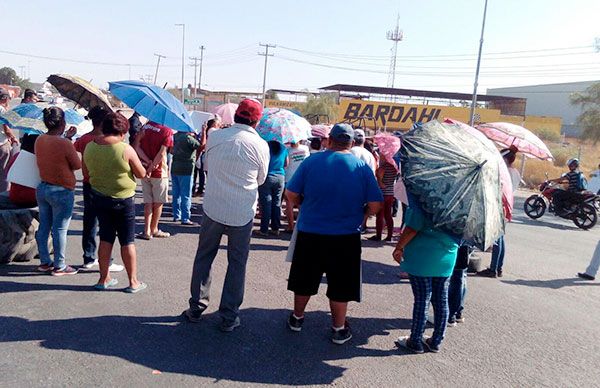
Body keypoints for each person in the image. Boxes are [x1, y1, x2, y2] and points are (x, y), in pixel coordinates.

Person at [285, 123, 383, 345]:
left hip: (311, 231)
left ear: (329, 139)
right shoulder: (361, 166)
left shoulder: (312, 161)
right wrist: (362, 216)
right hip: (345, 235)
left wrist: (304, 205)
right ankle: (338, 328)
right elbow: (376, 204)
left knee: (303, 279)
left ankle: (297, 318)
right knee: (341, 284)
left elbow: (291, 192)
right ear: (350, 142)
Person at [183, 99, 269, 332]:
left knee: (204, 257)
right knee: (237, 264)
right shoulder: (261, 145)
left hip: (214, 207)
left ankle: (196, 307)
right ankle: (229, 316)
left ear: (236, 116)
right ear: (257, 120)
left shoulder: (216, 137)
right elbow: (261, 179)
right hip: (242, 211)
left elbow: (206, 165)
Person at [83, 112, 147, 293]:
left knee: (105, 238)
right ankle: (133, 282)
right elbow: (141, 174)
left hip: (99, 197)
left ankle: (103, 278)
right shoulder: (125, 149)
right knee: (127, 241)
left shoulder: (90, 146)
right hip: (123, 200)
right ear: (123, 131)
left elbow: (86, 174)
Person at [392, 195, 460, 353]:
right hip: (447, 256)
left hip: (423, 256)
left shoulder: (426, 197)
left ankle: (415, 340)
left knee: (422, 299)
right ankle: (436, 341)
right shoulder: (460, 201)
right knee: (441, 300)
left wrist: (399, 247)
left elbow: (412, 227)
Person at [74, 106, 124, 272]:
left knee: (89, 221)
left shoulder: (84, 139)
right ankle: (107, 261)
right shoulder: (109, 141)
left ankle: (88, 257)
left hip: (88, 183)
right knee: (106, 225)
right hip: (105, 185)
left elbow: (74, 147)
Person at [34, 107, 81, 275]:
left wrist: (67, 138)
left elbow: (54, 152)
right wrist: (68, 140)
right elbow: (76, 165)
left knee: (44, 227)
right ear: (63, 122)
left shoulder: (40, 139)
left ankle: (45, 261)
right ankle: (59, 265)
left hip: (43, 187)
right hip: (62, 189)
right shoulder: (64, 143)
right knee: (60, 229)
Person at [134, 121, 173, 239]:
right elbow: (162, 153)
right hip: (160, 171)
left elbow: (137, 147)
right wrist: (153, 166)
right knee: (158, 202)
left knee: (148, 202)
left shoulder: (145, 126)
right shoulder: (167, 130)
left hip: (144, 168)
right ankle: (154, 228)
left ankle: (146, 230)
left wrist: (148, 162)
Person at [256, 141, 288, 236]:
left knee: (266, 204)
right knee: (277, 203)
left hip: (267, 177)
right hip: (280, 177)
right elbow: (286, 164)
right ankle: (275, 228)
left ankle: (264, 229)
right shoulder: (283, 148)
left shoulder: (265, 147)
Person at [171, 130, 200, 225]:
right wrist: (203, 132)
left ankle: (176, 215)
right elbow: (201, 146)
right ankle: (185, 217)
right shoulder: (189, 139)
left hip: (175, 167)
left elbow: (170, 150)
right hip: (186, 169)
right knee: (186, 195)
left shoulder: (174, 136)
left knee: (176, 194)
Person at [283, 140, 310, 232]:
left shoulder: (287, 150)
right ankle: (304, 224)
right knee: (301, 202)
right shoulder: (305, 148)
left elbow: (286, 164)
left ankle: (291, 226)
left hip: (289, 177)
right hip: (303, 178)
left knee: (289, 203)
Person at [6, 134, 39, 207]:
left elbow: (8, 172)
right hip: (34, 198)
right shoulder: (39, 159)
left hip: (14, 196)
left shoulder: (17, 155)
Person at [369, 159, 397, 242]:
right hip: (391, 192)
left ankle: (378, 235)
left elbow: (381, 183)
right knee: (388, 214)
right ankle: (389, 236)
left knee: (380, 215)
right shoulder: (394, 167)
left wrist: (378, 176)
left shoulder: (384, 167)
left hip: (383, 193)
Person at [193, 117, 221, 197]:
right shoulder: (212, 130)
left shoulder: (209, 131)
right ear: (214, 124)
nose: (219, 124)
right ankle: (202, 190)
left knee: (202, 174)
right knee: (205, 174)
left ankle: (199, 189)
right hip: (206, 155)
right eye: (218, 123)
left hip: (204, 154)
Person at [448, 244, 471, 326]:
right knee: (462, 276)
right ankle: (457, 312)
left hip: (460, 243)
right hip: (468, 242)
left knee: (457, 278)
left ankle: (450, 316)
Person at [0, 91, 18, 192]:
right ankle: (3, 194)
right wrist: (13, 137)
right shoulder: (2, 110)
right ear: (5, 98)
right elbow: (6, 129)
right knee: (3, 172)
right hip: (2, 144)